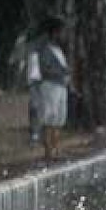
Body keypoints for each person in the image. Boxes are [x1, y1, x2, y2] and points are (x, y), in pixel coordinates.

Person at [29, 15, 71, 162]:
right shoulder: (45, 49)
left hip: (60, 86)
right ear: (54, 33)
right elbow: (45, 69)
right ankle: (49, 152)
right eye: (61, 32)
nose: (63, 35)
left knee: (59, 119)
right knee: (49, 118)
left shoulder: (58, 50)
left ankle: (56, 149)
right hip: (50, 86)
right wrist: (62, 73)